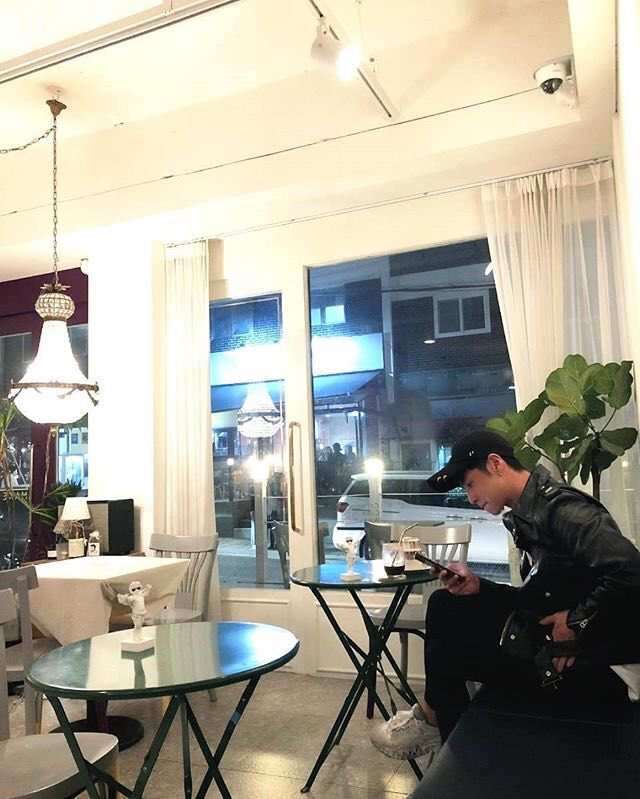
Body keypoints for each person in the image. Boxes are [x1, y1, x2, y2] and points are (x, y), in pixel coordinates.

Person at [370, 430, 640, 760]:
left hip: (601, 667)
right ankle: (443, 733)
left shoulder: (562, 510)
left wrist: (574, 621)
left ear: (496, 464)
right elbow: (538, 600)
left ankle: (438, 727)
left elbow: (630, 571)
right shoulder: (531, 513)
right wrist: (479, 587)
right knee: (445, 604)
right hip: (560, 645)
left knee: (450, 647)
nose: (471, 497)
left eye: (471, 484)